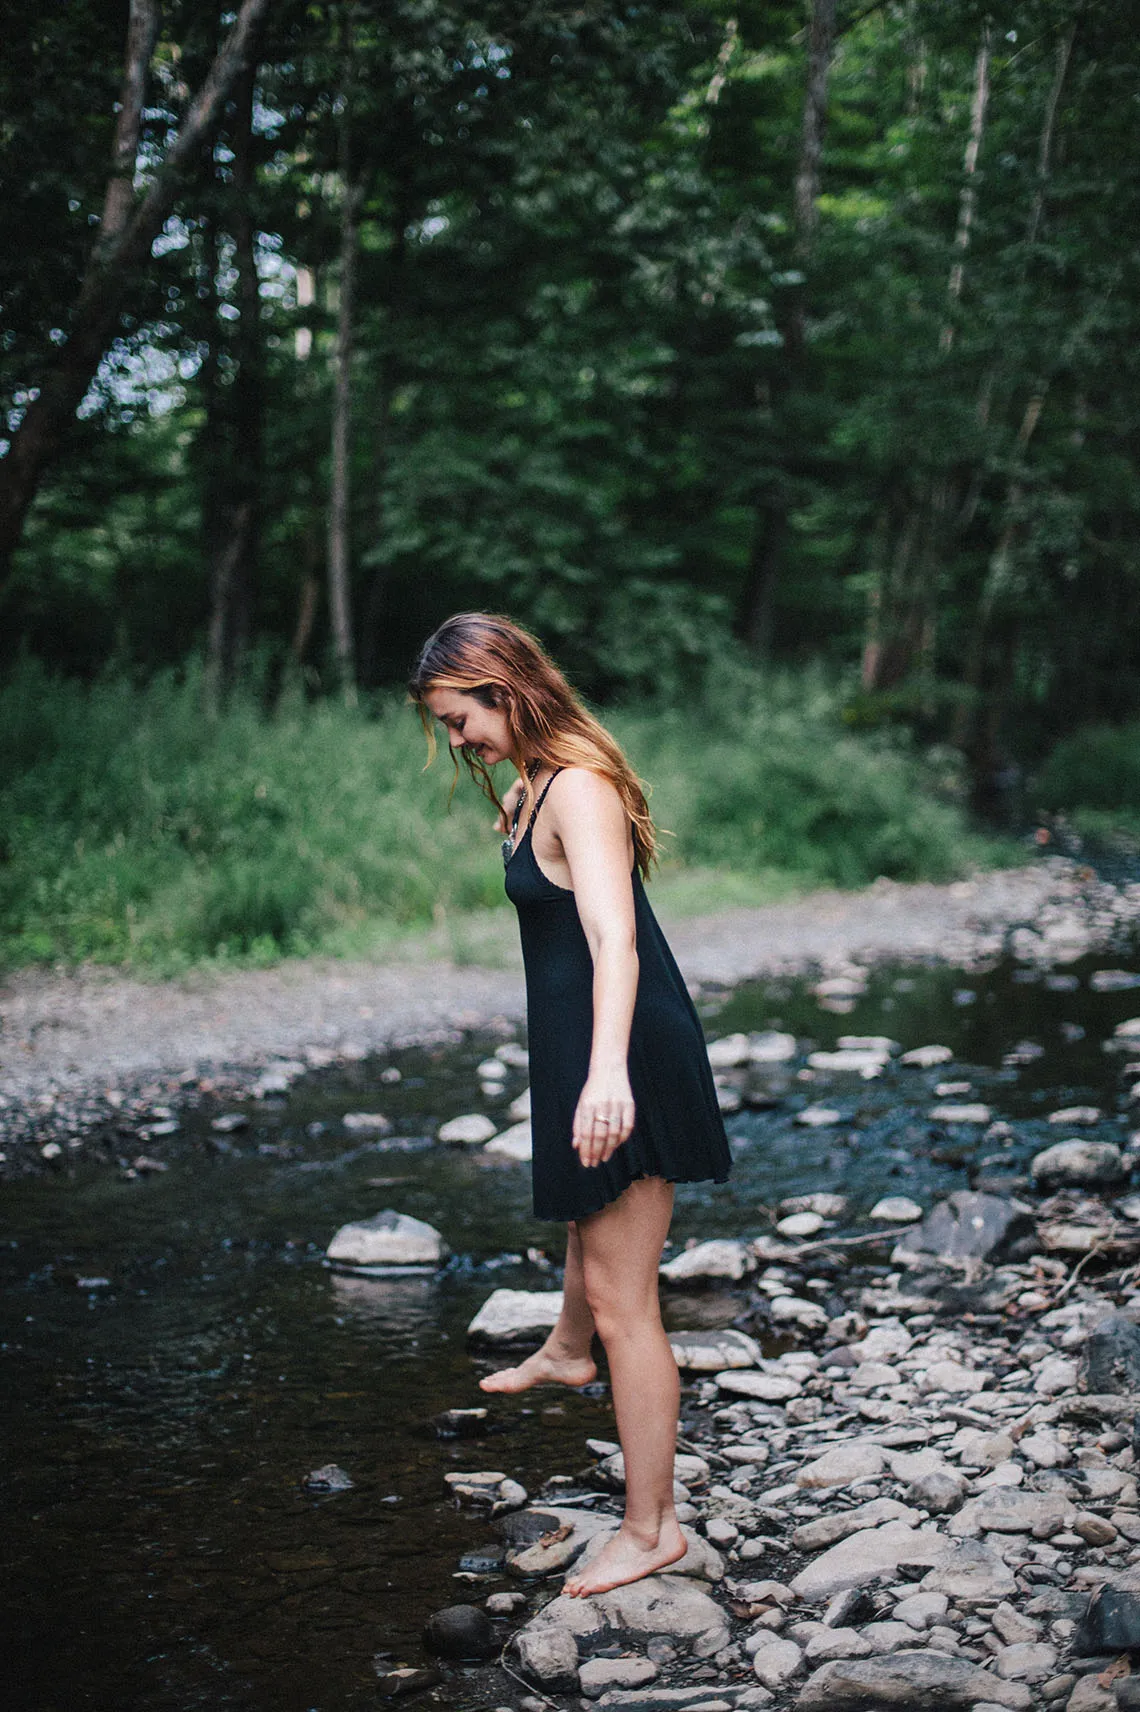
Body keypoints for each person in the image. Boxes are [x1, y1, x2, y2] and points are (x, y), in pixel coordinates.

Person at [410, 613, 731, 1597]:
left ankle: (652, 1526)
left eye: (460, 717)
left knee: (631, 1302)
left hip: (621, 1044)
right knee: (593, 1234)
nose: (457, 739)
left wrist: (605, 1073)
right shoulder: (534, 786)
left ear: (503, 687)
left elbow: (614, 935)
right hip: (586, 1045)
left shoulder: (578, 788)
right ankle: (564, 1347)